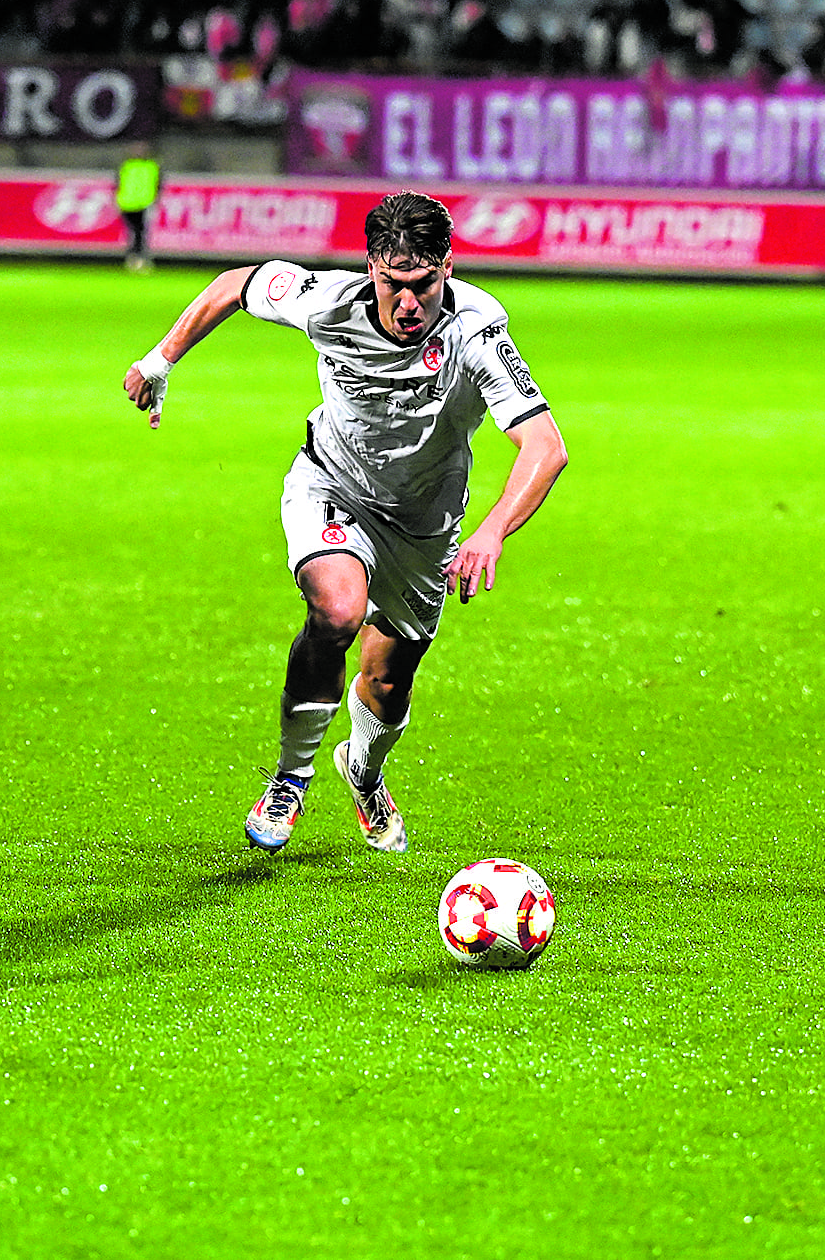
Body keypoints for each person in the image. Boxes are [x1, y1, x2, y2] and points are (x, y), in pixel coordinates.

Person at [119, 192, 570, 856]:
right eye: (393, 284)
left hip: (423, 528)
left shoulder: (477, 332)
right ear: (371, 269)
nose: (408, 303)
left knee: (389, 681)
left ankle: (362, 773)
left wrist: (492, 530)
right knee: (338, 610)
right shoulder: (325, 300)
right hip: (332, 485)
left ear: (448, 267)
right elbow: (233, 285)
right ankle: (288, 779)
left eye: (424, 284)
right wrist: (160, 361)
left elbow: (546, 446)